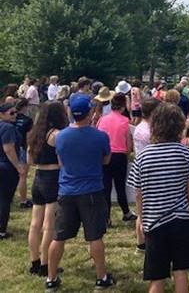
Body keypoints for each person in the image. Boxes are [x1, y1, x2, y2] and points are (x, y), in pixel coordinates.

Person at [127, 103, 189, 293]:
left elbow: (138, 192)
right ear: (179, 126)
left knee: (157, 277)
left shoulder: (143, 157)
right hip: (182, 220)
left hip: (154, 222)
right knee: (181, 272)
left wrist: (141, 219)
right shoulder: (187, 154)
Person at [46, 93, 114, 290]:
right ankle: (101, 277)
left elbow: (61, 162)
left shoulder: (61, 136)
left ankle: (51, 278)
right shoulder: (100, 136)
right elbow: (106, 160)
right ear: (90, 112)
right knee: (95, 236)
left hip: (67, 190)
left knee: (59, 236)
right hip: (92, 190)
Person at [27, 101, 68, 276]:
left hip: (38, 177)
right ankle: (46, 264)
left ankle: (34, 261)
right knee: (49, 225)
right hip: (53, 178)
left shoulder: (34, 133)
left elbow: (30, 160)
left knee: (35, 224)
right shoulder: (57, 135)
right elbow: (62, 162)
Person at [97, 92, 136, 225]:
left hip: (104, 155)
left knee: (106, 187)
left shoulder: (102, 119)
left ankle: (106, 217)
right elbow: (129, 145)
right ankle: (126, 212)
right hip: (119, 156)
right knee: (120, 186)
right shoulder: (125, 121)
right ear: (123, 106)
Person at [132, 97, 161, 252]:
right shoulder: (148, 131)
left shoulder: (140, 127)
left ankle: (141, 243)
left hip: (143, 167)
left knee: (141, 208)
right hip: (149, 170)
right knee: (144, 209)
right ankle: (144, 241)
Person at [0, 101, 24, 239]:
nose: (15, 115)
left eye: (16, 112)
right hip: (6, 167)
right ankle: (2, 230)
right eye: (11, 113)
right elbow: (8, 148)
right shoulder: (8, 127)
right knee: (5, 199)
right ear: (2, 114)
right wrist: (18, 166)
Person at [14, 98, 34, 208]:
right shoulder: (28, 120)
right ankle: (23, 200)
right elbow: (29, 138)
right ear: (25, 107)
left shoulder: (10, 117)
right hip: (21, 147)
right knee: (22, 175)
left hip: (9, 147)